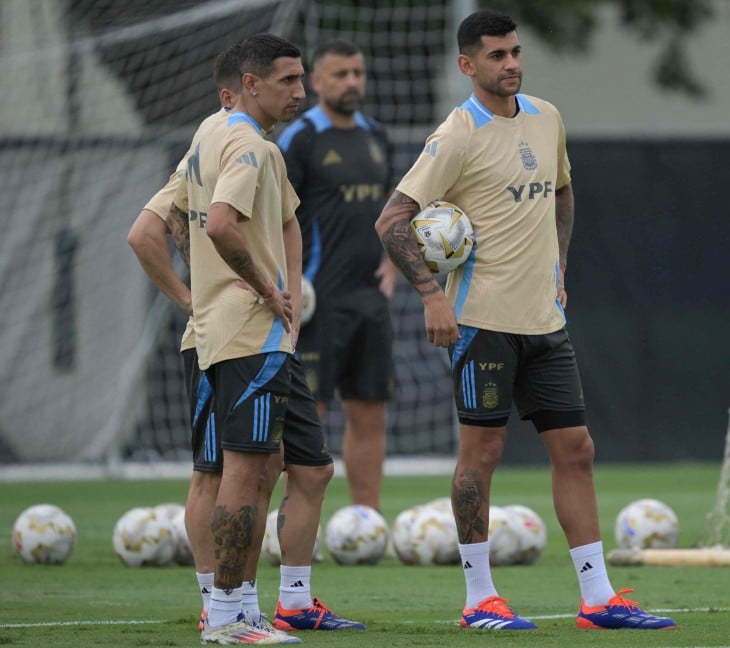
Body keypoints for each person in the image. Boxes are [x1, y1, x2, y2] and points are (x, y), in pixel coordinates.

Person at [375, 10, 677, 631]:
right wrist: (432, 295)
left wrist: (560, 262)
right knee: (481, 454)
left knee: (577, 449)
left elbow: (562, 191)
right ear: (468, 66)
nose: (510, 63)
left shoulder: (547, 117)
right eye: (495, 55)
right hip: (480, 323)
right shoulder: (455, 135)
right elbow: (391, 220)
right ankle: (479, 599)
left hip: (545, 321)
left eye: (515, 52)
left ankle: (597, 600)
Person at [131, 41, 363, 641]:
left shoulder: (211, 136)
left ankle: (263, 602)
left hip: (233, 331)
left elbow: (147, 231)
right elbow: (220, 225)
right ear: (250, 84)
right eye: (287, 81)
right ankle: (231, 617)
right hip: (246, 336)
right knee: (244, 470)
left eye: (301, 79)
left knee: (303, 467)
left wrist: (196, 299)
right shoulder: (251, 147)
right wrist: (263, 288)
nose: (301, 93)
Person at [277, 39, 397, 512]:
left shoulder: (377, 135)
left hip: (371, 298)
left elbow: (393, 210)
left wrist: (392, 263)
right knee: (309, 416)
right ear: (317, 82)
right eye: (341, 74)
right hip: (315, 300)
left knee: (370, 412)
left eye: (358, 73)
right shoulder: (301, 137)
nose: (352, 82)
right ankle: (299, 521)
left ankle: (366, 524)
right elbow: (272, 216)